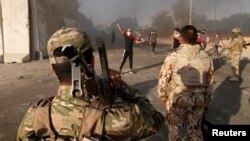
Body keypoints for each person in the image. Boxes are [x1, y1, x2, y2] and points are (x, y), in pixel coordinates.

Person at [16, 27, 164, 141]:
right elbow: (156, 119)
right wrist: (122, 86)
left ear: (53, 70)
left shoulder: (34, 116)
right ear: (92, 62)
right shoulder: (123, 118)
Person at [158, 25, 214, 141]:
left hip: (179, 98)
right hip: (200, 99)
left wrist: (164, 96)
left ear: (181, 38)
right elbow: (209, 83)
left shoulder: (173, 55)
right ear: (196, 38)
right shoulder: (206, 57)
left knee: (175, 130)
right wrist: (206, 101)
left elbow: (163, 80)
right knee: (195, 131)